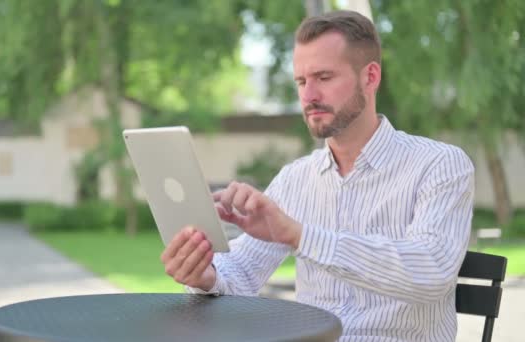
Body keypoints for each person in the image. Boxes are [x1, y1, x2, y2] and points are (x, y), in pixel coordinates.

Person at [160, 10, 474, 342]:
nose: (308, 96)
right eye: (301, 81)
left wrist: (299, 236)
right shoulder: (296, 179)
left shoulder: (440, 164)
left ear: (370, 77)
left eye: (324, 77)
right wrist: (205, 274)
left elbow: (430, 271)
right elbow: (240, 273)